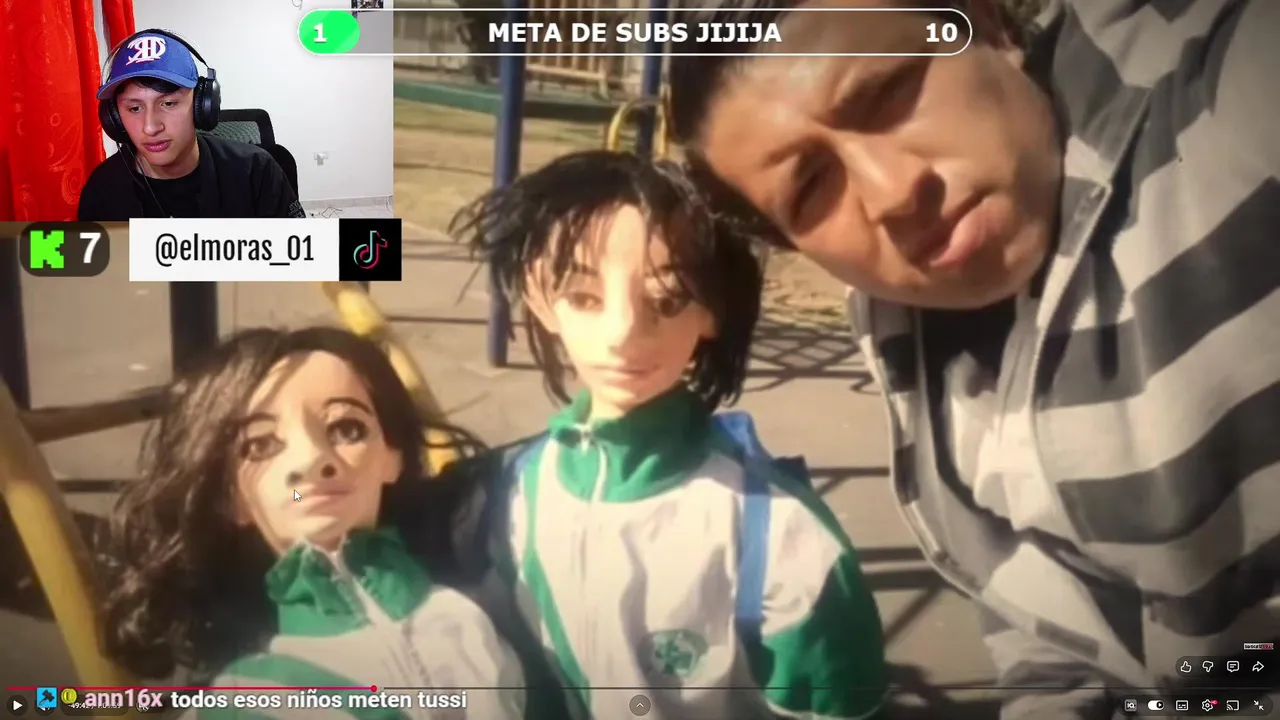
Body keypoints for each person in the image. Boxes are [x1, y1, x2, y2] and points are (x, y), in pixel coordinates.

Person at [667, 0, 1280, 717]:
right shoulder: (904, 327)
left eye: (889, 91)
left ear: (986, 25)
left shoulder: (1216, 103)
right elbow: (1054, 632)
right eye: (810, 188)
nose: (892, 192)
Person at [447, 150, 889, 719]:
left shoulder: (783, 535)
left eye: (666, 300)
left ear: (713, 311)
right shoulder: (505, 497)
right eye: (583, 297)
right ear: (539, 298)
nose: (622, 333)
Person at [96, 327, 526, 718]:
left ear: (391, 457)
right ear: (232, 501)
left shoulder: (480, 597)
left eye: (347, 429)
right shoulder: (247, 697)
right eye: (261, 445)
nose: (313, 460)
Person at [78, 29, 305, 221]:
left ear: (202, 105)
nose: (150, 128)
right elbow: (90, 260)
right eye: (134, 108)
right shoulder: (102, 188)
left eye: (168, 103)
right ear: (114, 117)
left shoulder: (256, 171)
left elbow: (301, 253)